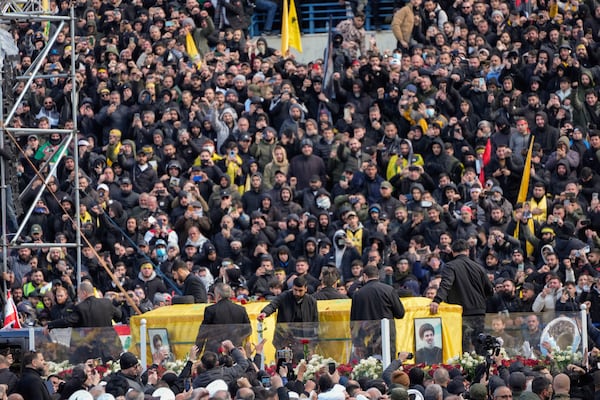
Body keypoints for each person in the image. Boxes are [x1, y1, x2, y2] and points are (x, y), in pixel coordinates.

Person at [430, 239, 494, 354]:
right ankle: (484, 369)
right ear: (468, 251)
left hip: (460, 312)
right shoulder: (478, 267)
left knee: (462, 346)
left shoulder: (450, 266)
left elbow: (446, 284)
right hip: (479, 311)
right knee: (480, 345)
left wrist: (437, 300)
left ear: (453, 252)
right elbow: (490, 290)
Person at [258, 276, 318, 361]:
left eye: (300, 290)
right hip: (284, 338)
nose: (297, 293)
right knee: (282, 364)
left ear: (306, 289)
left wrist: (312, 345)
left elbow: (315, 323)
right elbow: (273, 305)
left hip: (303, 340)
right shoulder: (284, 296)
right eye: (295, 290)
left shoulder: (312, 301)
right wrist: (264, 313)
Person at [350, 265, 405, 357]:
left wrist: (357, 342)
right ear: (378, 275)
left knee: (369, 367)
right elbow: (400, 314)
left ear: (364, 276)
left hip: (367, 338)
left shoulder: (357, 294)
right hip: (386, 336)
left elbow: (353, 322)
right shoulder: (389, 290)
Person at [196, 283, 252, 352]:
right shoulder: (241, 309)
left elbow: (204, 331)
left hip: (215, 349)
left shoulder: (211, 310)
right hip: (235, 348)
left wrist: (198, 351)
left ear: (218, 295)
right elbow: (248, 329)